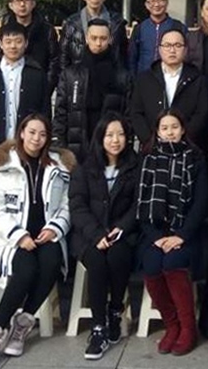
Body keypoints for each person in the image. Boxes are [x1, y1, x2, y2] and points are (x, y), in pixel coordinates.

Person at [0, 113, 74, 369]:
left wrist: (54, 228)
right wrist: (18, 236)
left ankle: (21, 325)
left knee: (51, 264)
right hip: (12, 238)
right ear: (21, 132)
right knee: (26, 270)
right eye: (31, 132)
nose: (36, 139)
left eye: (42, 134)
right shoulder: (3, 164)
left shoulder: (58, 166)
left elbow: (67, 204)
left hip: (46, 235)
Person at [69, 112, 140, 360]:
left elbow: (138, 204)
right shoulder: (85, 167)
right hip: (89, 235)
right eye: (109, 135)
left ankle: (115, 310)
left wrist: (122, 227)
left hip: (122, 233)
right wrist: (97, 234)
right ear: (100, 138)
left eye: (120, 134)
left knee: (118, 256)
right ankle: (98, 327)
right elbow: (77, 206)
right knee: (98, 263)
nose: (115, 140)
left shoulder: (135, 166)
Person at [137, 110, 208, 356]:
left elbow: (200, 204)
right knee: (152, 264)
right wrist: (156, 237)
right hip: (155, 233)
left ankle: (188, 328)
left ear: (183, 130)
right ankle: (172, 324)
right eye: (164, 128)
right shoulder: (147, 159)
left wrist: (181, 235)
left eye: (174, 127)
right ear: (157, 132)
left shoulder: (196, 159)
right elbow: (141, 204)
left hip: (187, 233)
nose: (170, 132)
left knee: (173, 261)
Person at [54, 18, 130, 162]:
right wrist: (59, 147)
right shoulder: (71, 74)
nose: (98, 43)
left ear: (110, 39)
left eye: (103, 38)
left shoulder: (122, 76)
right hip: (77, 146)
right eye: (94, 38)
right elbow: (61, 114)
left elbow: (128, 114)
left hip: (111, 148)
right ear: (86, 38)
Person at [0, 21, 49, 155]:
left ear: (26, 43)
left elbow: (44, 111)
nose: (13, 46)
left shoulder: (37, 74)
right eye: (8, 41)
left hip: (27, 146)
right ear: (1, 44)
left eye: (18, 41)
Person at [129, 27, 208, 150]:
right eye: (167, 45)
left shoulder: (197, 79)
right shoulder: (145, 79)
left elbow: (201, 114)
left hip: (187, 148)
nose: (172, 50)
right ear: (160, 49)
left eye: (178, 45)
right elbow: (136, 113)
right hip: (152, 148)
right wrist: (150, 140)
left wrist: (183, 138)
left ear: (185, 50)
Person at [0, 0, 60, 96]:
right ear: (11, 5)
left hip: (38, 87)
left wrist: (47, 87)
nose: (22, 4)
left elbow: (54, 61)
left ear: (33, 3)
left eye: (26, 0)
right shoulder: (4, 29)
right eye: (18, 1)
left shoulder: (47, 30)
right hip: (9, 87)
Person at [59, 0, 128, 68]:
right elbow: (63, 55)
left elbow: (123, 54)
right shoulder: (71, 23)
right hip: (80, 71)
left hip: (110, 70)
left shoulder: (117, 22)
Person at [128, 0, 186, 74]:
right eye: (152, 1)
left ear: (167, 2)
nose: (156, 4)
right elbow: (132, 57)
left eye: (160, 0)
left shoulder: (178, 27)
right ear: (146, 5)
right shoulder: (140, 28)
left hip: (171, 75)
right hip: (144, 77)